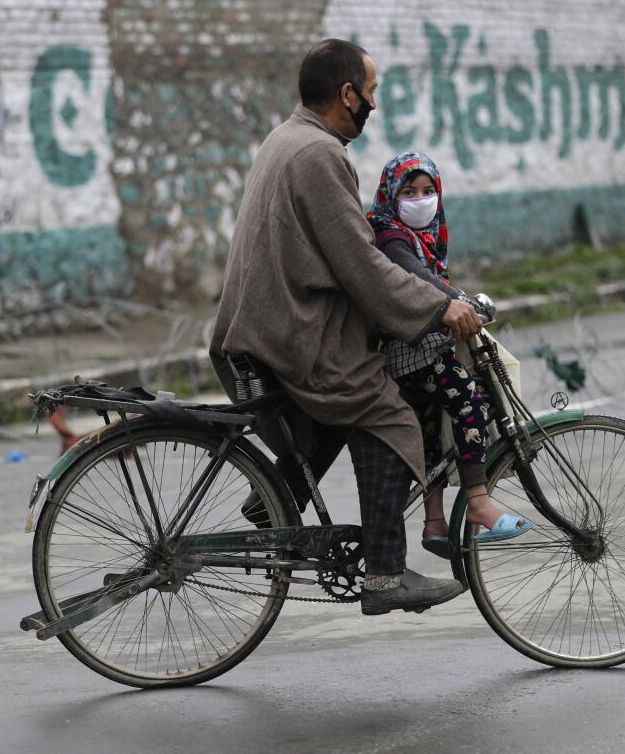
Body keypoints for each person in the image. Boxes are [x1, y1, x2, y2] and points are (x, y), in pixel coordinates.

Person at [209, 38, 483, 616]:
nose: (375, 103)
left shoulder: (289, 137)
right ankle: (384, 576)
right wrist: (438, 307)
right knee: (386, 411)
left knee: (350, 389)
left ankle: (278, 494)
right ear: (347, 93)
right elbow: (361, 264)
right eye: (372, 91)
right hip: (291, 332)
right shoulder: (319, 154)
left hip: (267, 324)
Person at [368, 151, 532, 559]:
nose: (419, 199)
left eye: (427, 191)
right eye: (408, 191)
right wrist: (457, 302)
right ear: (391, 195)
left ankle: (434, 521)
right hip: (414, 349)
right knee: (470, 400)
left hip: (412, 349)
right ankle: (478, 500)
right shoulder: (390, 234)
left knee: (428, 430)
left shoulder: (426, 236)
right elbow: (416, 276)